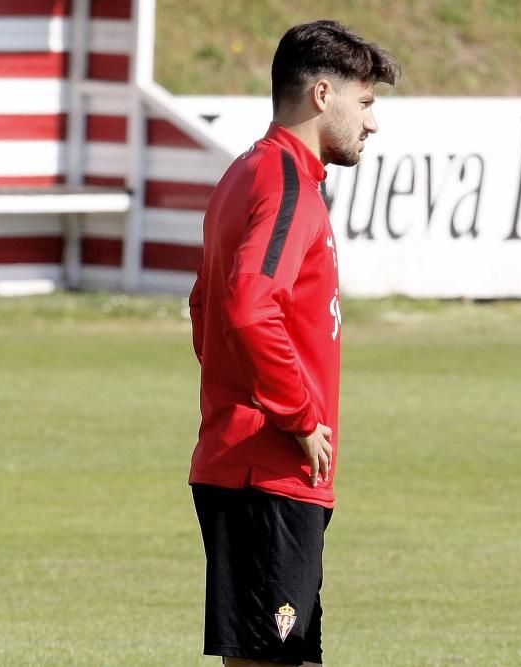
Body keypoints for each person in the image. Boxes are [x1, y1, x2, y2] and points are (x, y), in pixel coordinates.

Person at [187, 20, 399, 667]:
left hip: (260, 469)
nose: (372, 123)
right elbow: (248, 307)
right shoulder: (284, 182)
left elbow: (205, 306)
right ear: (322, 95)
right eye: (365, 103)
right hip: (267, 473)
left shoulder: (248, 174)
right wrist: (299, 414)